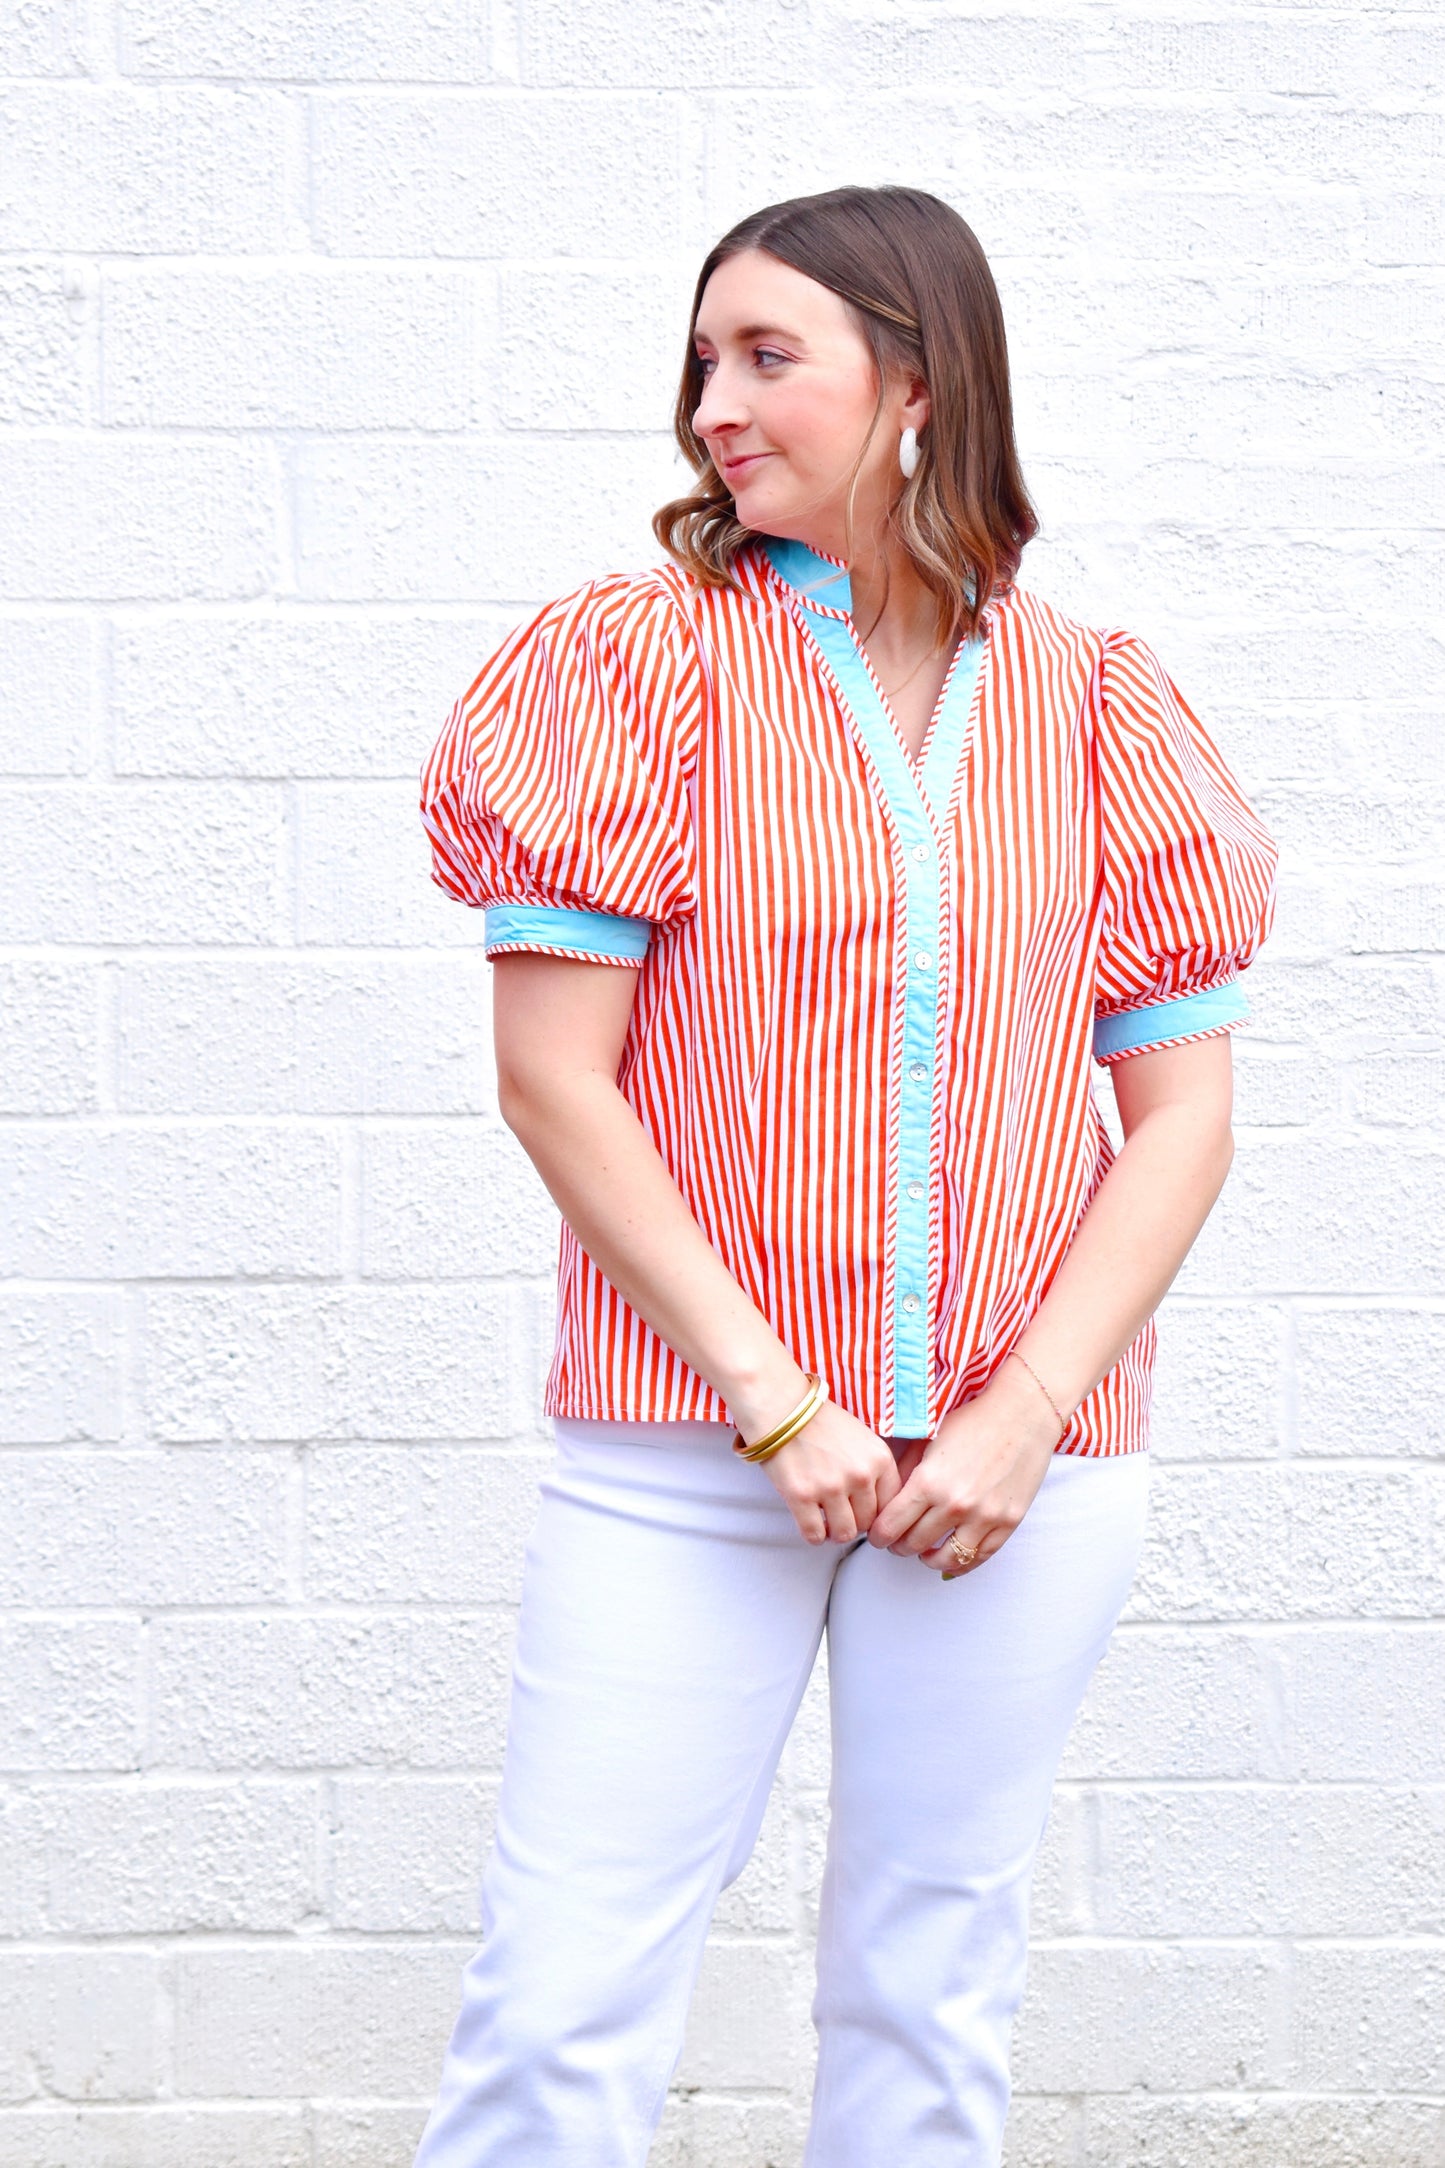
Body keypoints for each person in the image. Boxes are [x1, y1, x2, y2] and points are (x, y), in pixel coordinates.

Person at [411, 184, 1277, 2168]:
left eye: (766, 356)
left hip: (1014, 1469)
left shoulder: (1099, 702)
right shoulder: (628, 671)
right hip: (687, 1446)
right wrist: (777, 1399)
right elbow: (555, 1083)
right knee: (562, 1998)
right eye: (701, 360)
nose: (713, 405)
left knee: (930, 1983)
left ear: (917, 385)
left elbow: (1183, 1120)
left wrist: (1024, 1410)